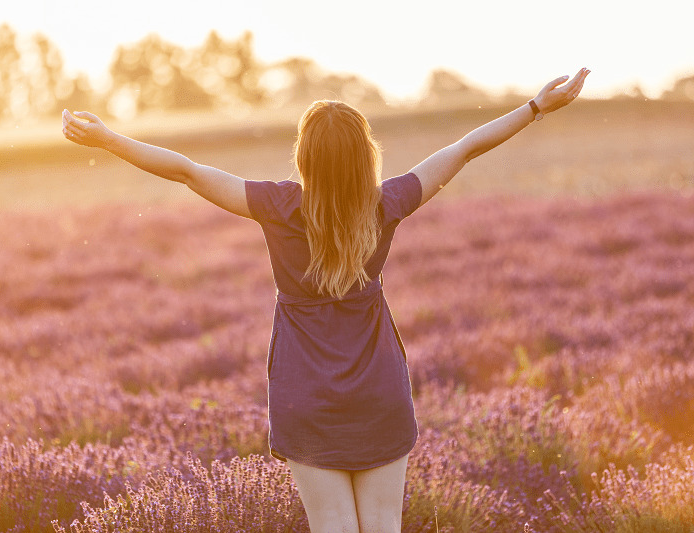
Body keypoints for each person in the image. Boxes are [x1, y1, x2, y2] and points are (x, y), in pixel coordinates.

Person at [61, 67, 590, 533]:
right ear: (366, 157)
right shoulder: (385, 204)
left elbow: (187, 171)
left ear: (304, 157)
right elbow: (463, 149)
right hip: (379, 390)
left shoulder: (278, 206)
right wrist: (536, 107)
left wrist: (109, 139)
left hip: (305, 395)